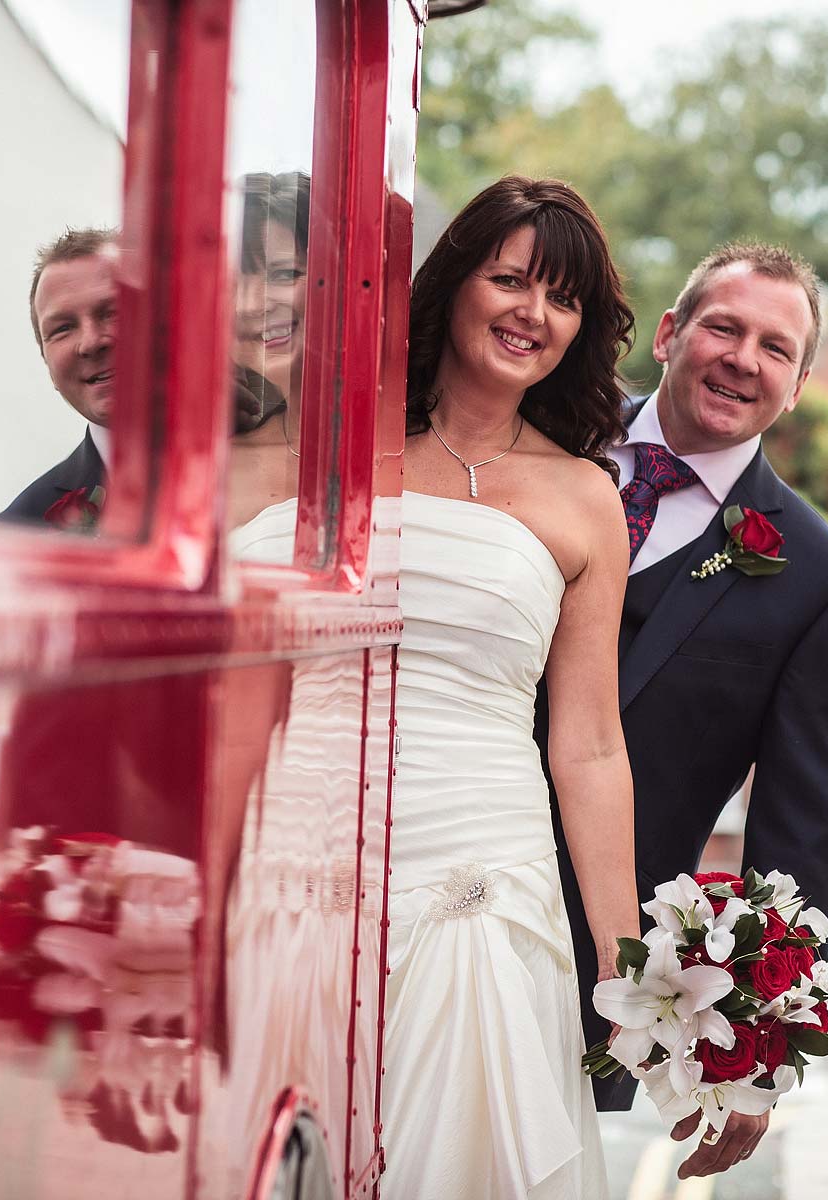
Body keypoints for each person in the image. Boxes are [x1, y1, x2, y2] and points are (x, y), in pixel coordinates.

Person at [236, 175, 638, 1198]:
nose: (533, 313)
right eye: (510, 280)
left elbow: (589, 743)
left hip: (481, 879)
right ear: (454, 282)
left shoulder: (585, 499)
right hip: (292, 859)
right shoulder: (318, 446)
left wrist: (623, 956)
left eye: (562, 298)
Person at [547, 242, 828, 1179]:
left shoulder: (821, 580)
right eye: (724, 328)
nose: (743, 359)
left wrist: (762, 1045)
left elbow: (803, 829)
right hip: (420, 868)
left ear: (798, 387)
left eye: (776, 349)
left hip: (596, 955)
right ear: (668, 333)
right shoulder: (539, 431)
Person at [0, 227, 117, 526]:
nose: (90, 342)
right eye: (62, 329)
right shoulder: (15, 533)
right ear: (45, 359)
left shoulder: (231, 464)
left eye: (113, 312)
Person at [227, 172, 311, 532]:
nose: (249, 305)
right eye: (228, 285)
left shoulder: (425, 447)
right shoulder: (214, 467)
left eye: (283, 274)